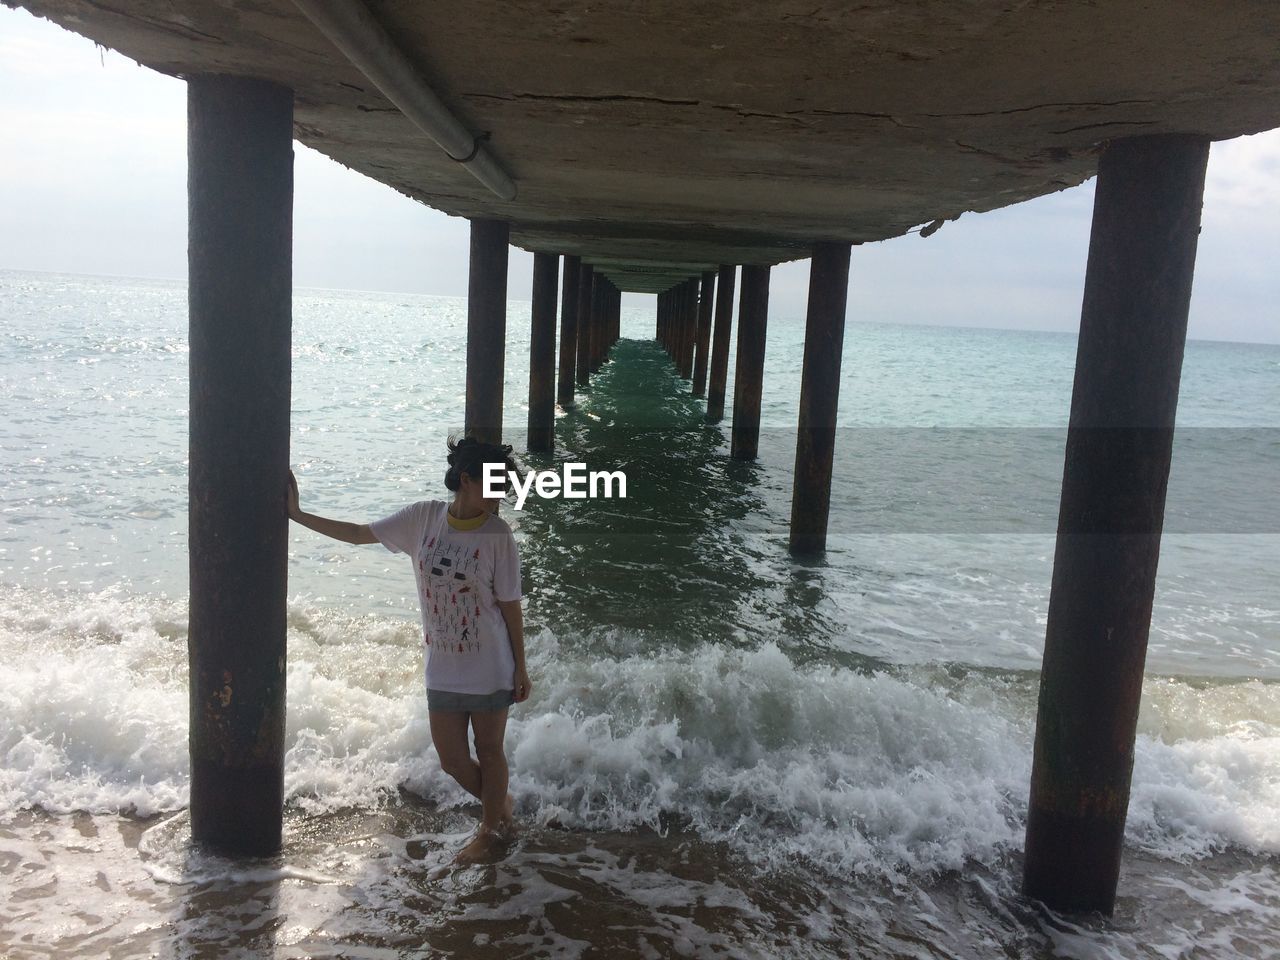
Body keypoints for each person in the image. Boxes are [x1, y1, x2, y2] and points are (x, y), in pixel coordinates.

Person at [286, 436, 532, 864]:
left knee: (490, 751)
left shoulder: (498, 536)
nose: (499, 494)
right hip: (442, 667)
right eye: (492, 483)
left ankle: (490, 831)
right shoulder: (423, 519)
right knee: (453, 760)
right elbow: (360, 534)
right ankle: (501, 808)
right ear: (466, 480)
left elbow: (510, 608)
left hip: (491, 665)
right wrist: (298, 515)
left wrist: (521, 669)